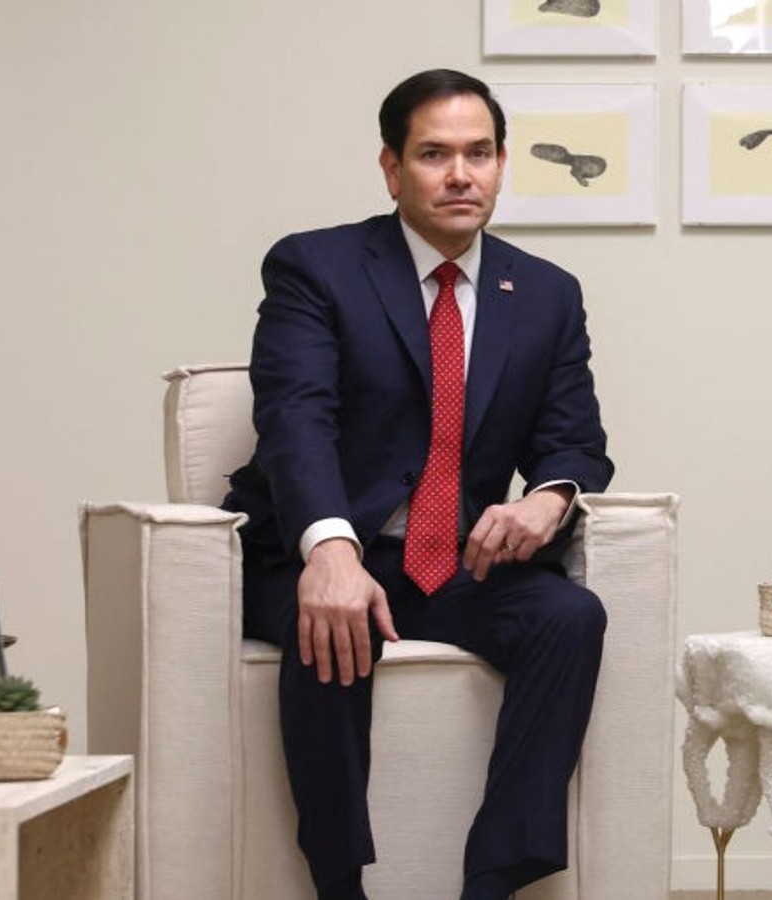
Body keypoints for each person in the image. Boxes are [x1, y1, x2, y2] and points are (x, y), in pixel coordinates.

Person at [223, 68, 613, 900]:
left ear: (501, 163)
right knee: (335, 619)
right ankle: (339, 883)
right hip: (318, 550)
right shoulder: (315, 266)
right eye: (434, 154)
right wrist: (329, 550)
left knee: (569, 616)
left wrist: (548, 498)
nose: (460, 175)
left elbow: (574, 441)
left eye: (479, 153)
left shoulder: (546, 294)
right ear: (392, 168)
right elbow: (296, 417)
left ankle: (495, 878)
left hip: (454, 559)